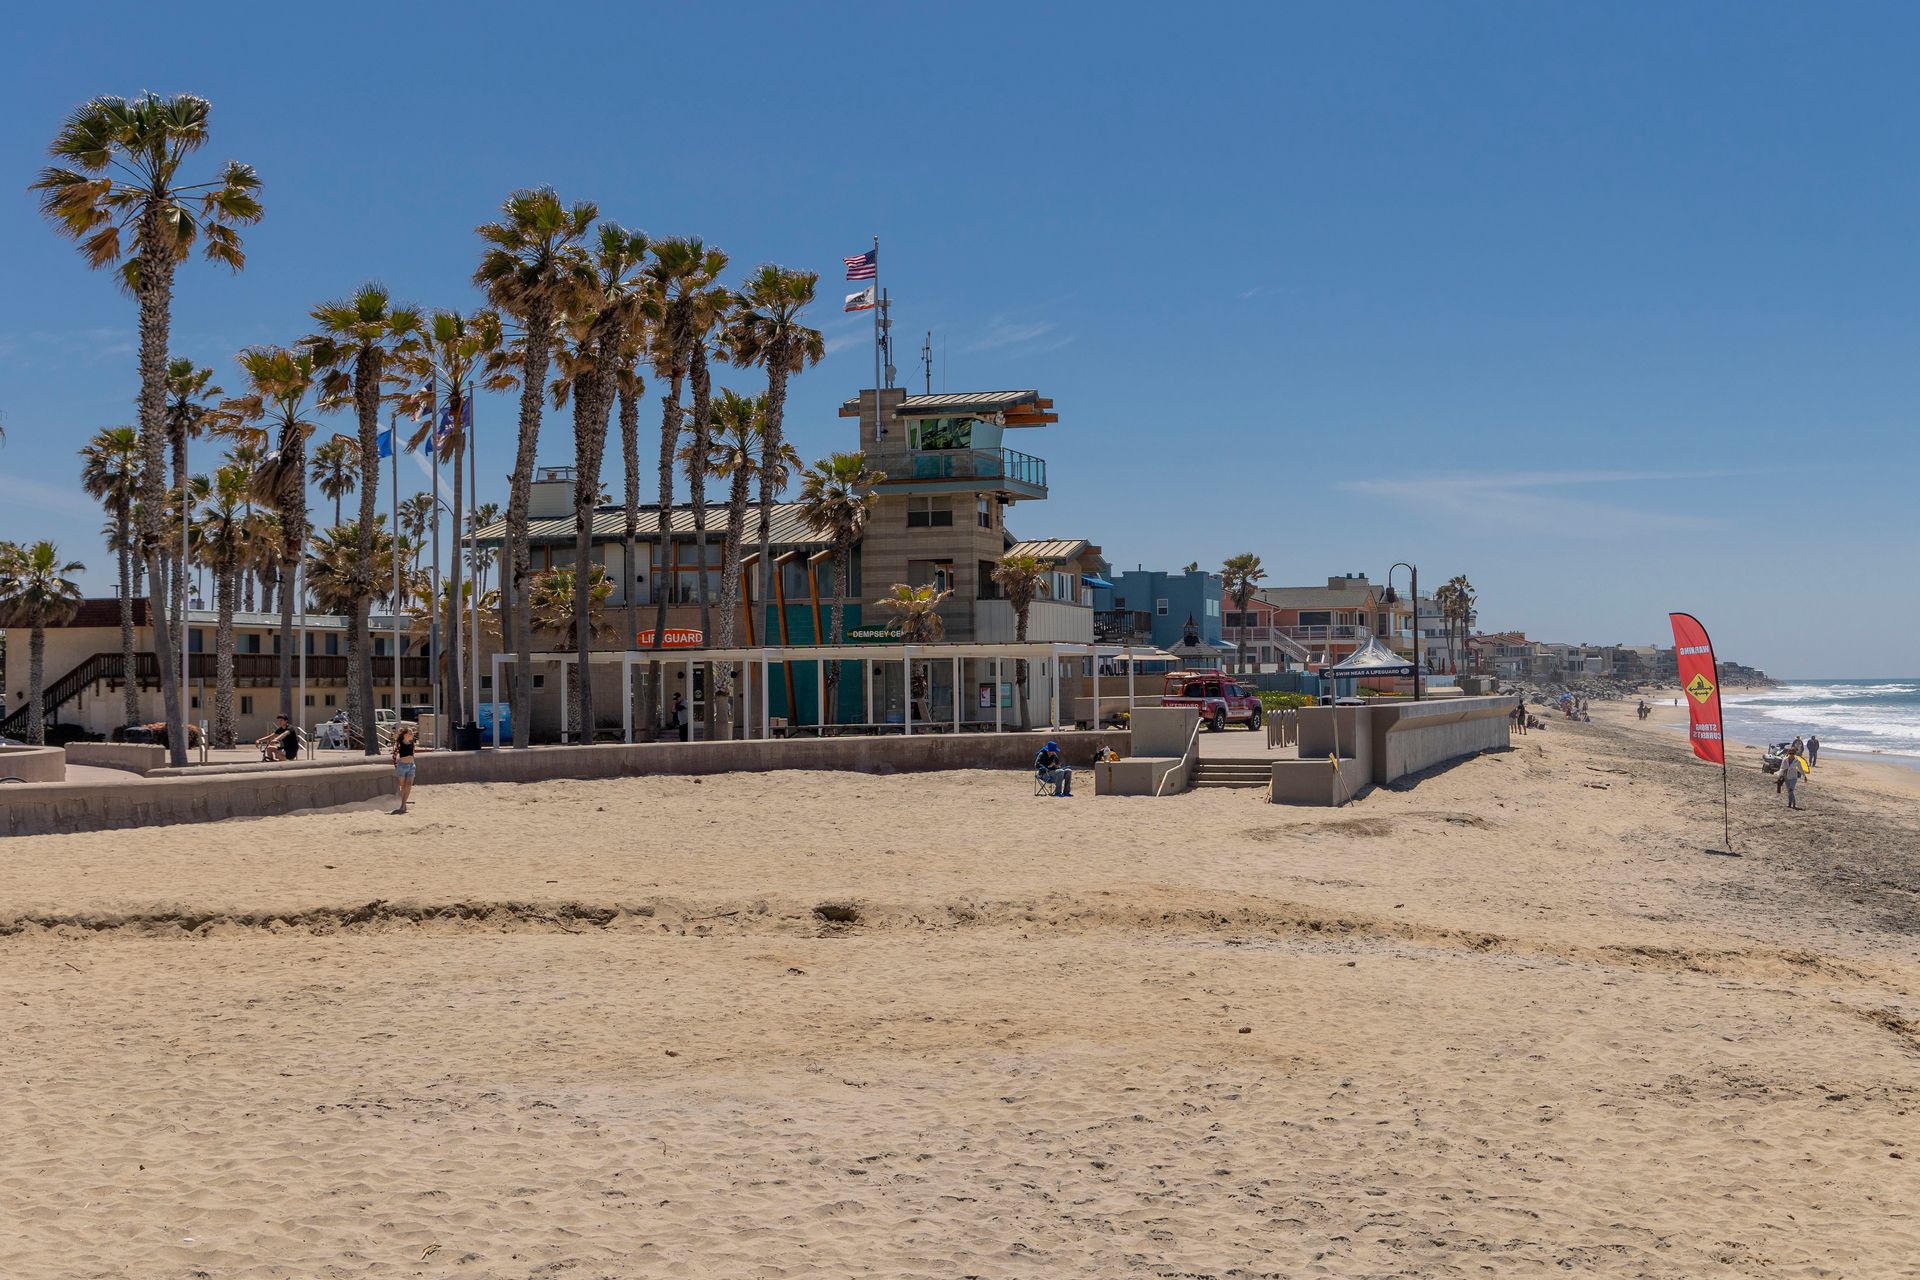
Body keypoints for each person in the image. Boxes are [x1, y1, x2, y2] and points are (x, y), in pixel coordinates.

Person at [390, 723, 417, 815]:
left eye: (412, 733)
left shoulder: (412, 743)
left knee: (409, 785)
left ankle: (402, 805)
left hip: (411, 766)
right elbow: (394, 755)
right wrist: (396, 766)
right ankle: (403, 805)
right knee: (403, 786)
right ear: (405, 734)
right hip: (402, 766)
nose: (412, 734)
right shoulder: (399, 744)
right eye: (410, 733)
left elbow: (413, 754)